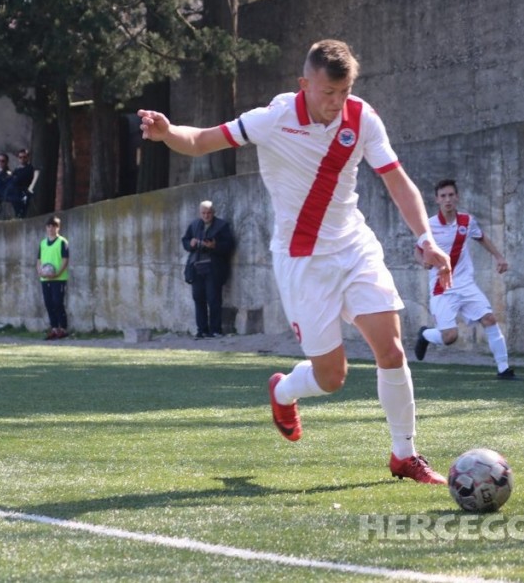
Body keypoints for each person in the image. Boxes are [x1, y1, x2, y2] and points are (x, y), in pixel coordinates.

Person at [139, 39, 454, 484]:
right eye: (328, 93)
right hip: (302, 260)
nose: (337, 103)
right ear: (304, 84)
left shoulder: (362, 118)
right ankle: (284, 389)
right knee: (332, 377)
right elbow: (203, 140)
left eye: (344, 92)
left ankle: (404, 454)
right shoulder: (272, 119)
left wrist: (426, 238)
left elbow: (396, 180)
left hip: (354, 246)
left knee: (392, 348)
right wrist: (168, 132)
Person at [413, 179, 516, 379]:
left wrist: (499, 257)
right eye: (443, 196)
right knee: (450, 337)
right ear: (437, 200)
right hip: (441, 287)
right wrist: (422, 262)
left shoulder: (467, 221)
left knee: (490, 319)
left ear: (457, 197)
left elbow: (481, 237)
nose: (447, 199)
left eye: (451, 195)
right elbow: (417, 252)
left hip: (465, 283)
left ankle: (504, 369)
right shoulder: (430, 225)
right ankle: (425, 334)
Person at [181, 200, 234, 338]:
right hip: (196, 266)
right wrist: (191, 243)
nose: (206, 216)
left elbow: (229, 245)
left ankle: (215, 330)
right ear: (200, 213)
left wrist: (214, 246)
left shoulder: (222, 226)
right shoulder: (194, 225)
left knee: (213, 298)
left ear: (213, 213)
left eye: (209, 213)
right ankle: (202, 330)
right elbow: (185, 241)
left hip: (213, 267)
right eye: (203, 213)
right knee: (198, 298)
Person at [38, 215, 70, 339]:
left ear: (58, 228)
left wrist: (57, 273)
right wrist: (40, 271)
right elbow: (38, 260)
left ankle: (63, 328)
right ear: (46, 228)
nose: (51, 229)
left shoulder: (62, 242)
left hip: (59, 278)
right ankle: (54, 328)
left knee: (58, 302)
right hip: (45, 278)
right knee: (48, 303)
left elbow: (65, 260)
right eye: (49, 226)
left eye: (54, 226)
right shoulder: (42, 243)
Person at [5, 148, 35, 218]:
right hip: (14, 190)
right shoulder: (17, 169)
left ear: (28, 158)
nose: (22, 159)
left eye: (24, 157)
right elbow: (12, 178)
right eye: (20, 157)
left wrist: (13, 177)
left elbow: (21, 179)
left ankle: (19, 214)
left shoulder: (29, 168)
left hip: (23, 190)